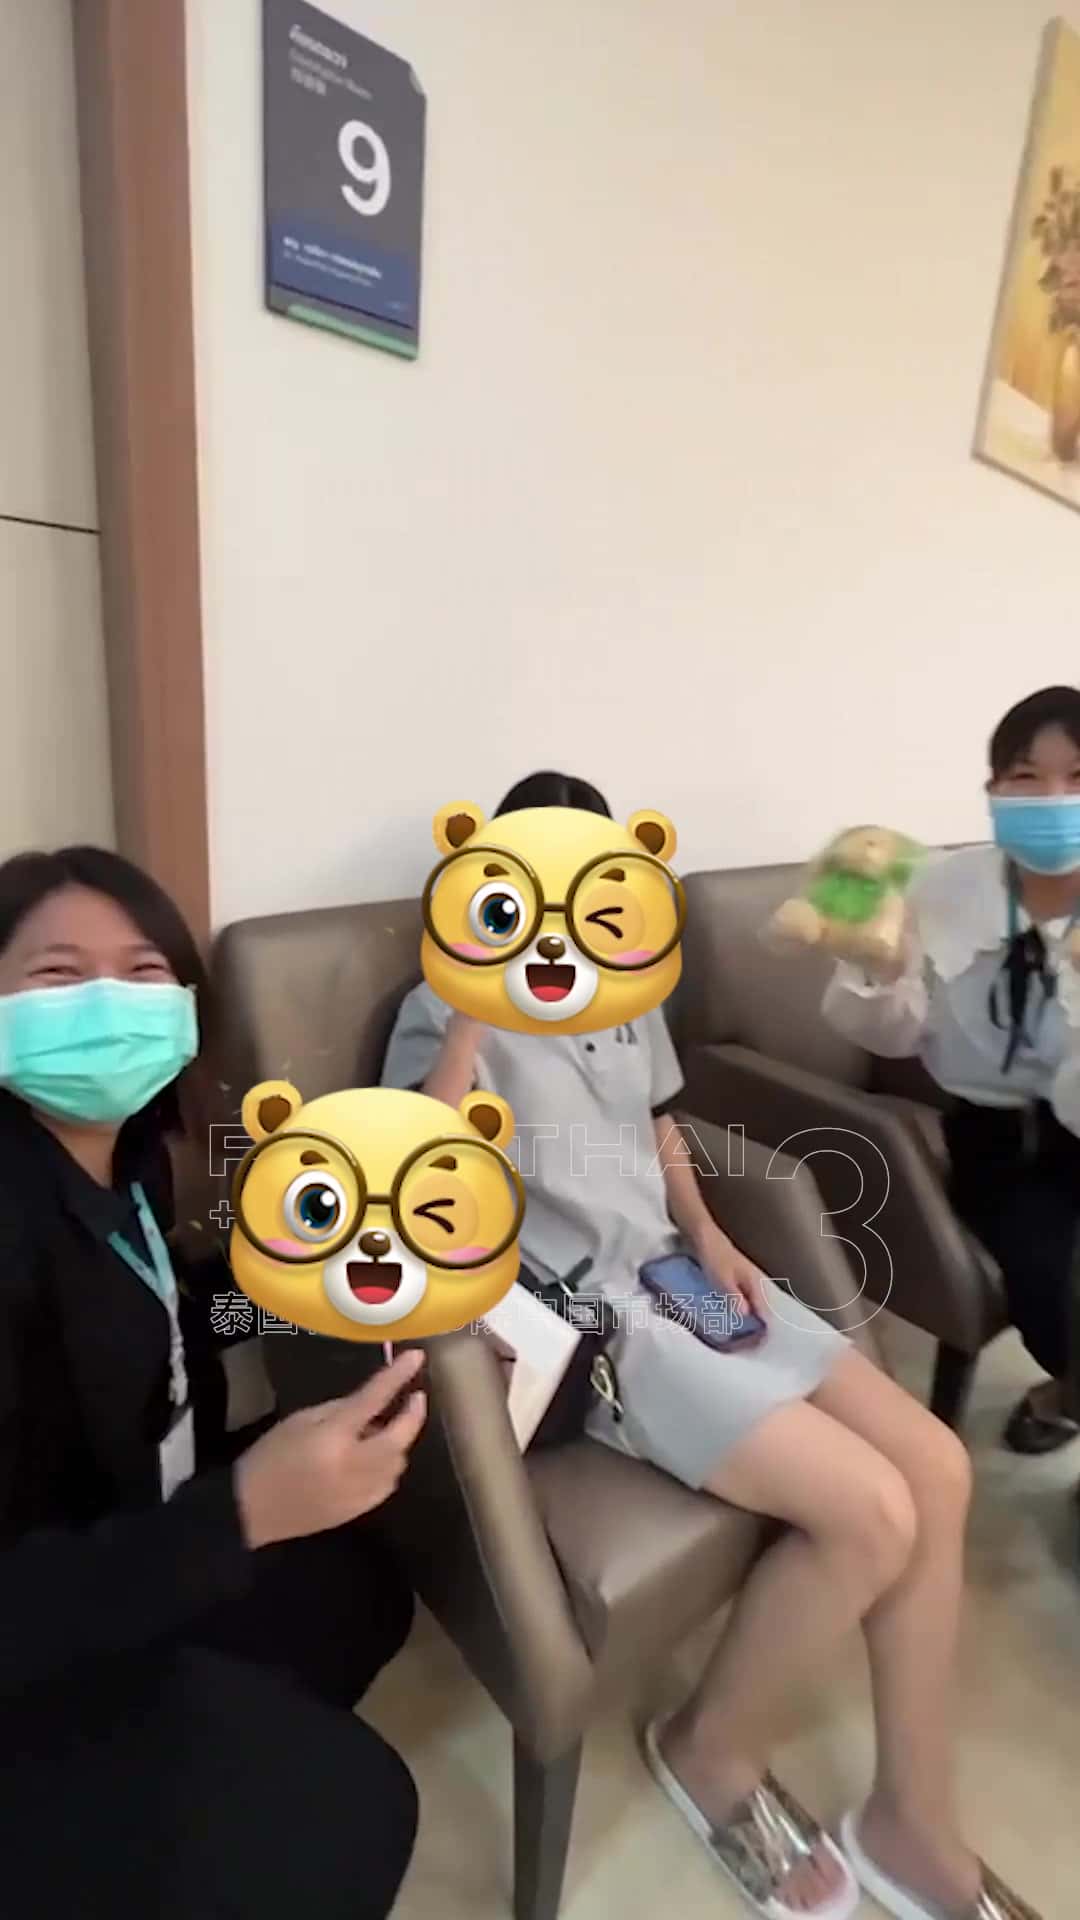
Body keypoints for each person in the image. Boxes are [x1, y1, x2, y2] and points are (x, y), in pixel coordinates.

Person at [382, 772, 1039, 1920]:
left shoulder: (625, 982)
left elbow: (659, 1126)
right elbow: (413, 1174)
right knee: (873, 1512)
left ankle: (912, 1816)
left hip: (683, 1277)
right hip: (599, 1319)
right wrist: (475, 1003)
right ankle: (708, 1748)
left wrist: (713, 1235)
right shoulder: (443, 1004)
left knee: (938, 1466)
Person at [0, 846, 422, 1920]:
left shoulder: (127, 1157)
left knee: (365, 1586)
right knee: (359, 1809)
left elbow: (176, 1316)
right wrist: (241, 1514)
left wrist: (298, 1295)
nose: (109, 1003)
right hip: (48, 1624)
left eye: (144, 971)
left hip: (146, 1514)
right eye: (57, 974)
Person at [824, 685, 1080, 1456]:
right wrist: (879, 968)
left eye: (1077, 777)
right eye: (1027, 777)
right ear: (993, 790)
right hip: (1002, 1143)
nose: (1054, 799)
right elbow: (895, 1038)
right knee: (1057, 1288)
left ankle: (1063, 1394)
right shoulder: (939, 888)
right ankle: (1065, 1385)